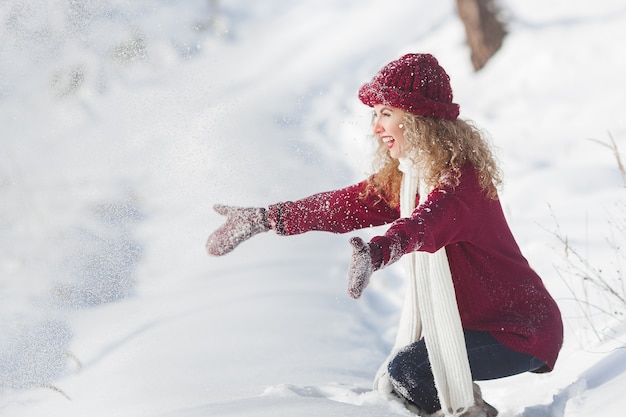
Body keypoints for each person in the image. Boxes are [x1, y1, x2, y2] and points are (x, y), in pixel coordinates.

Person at [206, 53, 563, 417]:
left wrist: (378, 252)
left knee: (411, 370)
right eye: (375, 114)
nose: (376, 126)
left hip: (520, 330)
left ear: (418, 119)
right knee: (404, 378)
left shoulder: (460, 181)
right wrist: (266, 218)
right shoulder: (410, 179)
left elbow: (426, 223)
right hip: (484, 325)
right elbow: (343, 206)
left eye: (386, 113)